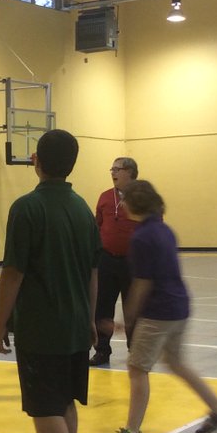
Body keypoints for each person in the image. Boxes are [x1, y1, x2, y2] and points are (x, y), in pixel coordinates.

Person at [0, 129, 100, 433]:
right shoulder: (82, 208)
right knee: (65, 401)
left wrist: (1, 320)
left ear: (35, 160)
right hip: (75, 321)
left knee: (44, 406)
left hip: (43, 324)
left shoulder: (27, 208)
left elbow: (12, 272)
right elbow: (93, 270)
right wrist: (90, 317)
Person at [103, 180, 217, 433]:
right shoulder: (165, 230)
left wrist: (126, 318)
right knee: (176, 362)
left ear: (134, 203)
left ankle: (132, 432)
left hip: (158, 312)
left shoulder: (140, 237)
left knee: (137, 368)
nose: (123, 204)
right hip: (180, 307)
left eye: (125, 199)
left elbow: (142, 284)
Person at [90, 156, 139, 367]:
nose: (113, 173)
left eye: (117, 169)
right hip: (107, 260)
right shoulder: (105, 197)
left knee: (133, 308)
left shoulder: (142, 197)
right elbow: (97, 225)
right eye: (112, 169)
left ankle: (135, 351)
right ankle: (102, 350)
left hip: (133, 263)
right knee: (102, 307)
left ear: (130, 172)